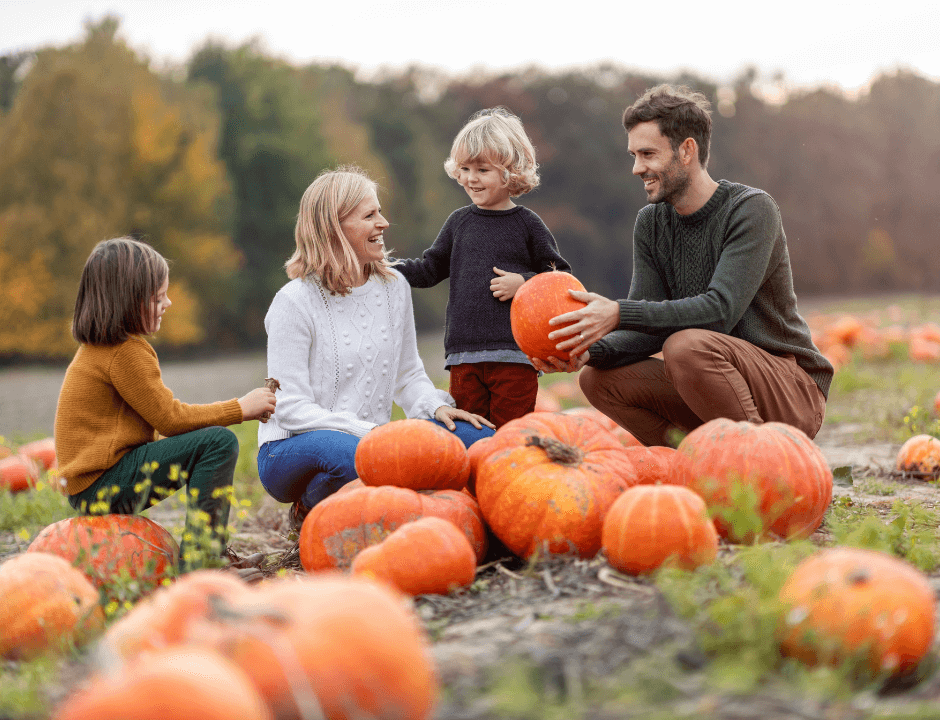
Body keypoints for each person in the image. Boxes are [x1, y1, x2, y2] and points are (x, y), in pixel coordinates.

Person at [531, 84, 833, 447]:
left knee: (685, 347)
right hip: (714, 386)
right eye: (633, 154)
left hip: (789, 388)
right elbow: (647, 330)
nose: (636, 168)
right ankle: (696, 467)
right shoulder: (651, 223)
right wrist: (586, 352)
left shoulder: (751, 210)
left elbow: (720, 311)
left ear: (686, 150)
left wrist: (617, 312)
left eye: (647, 154)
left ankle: (762, 462)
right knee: (597, 379)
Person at [257, 165, 495, 530]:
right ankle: (310, 510)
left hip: (371, 441)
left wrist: (433, 407)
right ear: (334, 226)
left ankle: (445, 518)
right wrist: (367, 433)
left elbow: (408, 374)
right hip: (292, 447)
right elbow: (289, 409)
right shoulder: (294, 302)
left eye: (379, 212)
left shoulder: (393, 286)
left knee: (477, 440)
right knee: (354, 456)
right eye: (370, 215)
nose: (383, 223)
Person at [55, 237, 277, 572]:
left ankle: (208, 555)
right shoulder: (125, 351)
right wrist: (239, 408)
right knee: (217, 443)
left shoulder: (102, 349)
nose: (169, 303)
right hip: (101, 485)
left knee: (205, 443)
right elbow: (170, 419)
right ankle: (203, 563)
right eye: (159, 297)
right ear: (129, 302)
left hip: (91, 486)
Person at [395, 107, 571, 428]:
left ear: (511, 172)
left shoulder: (527, 224)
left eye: (482, 169)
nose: (471, 178)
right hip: (464, 357)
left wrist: (524, 283)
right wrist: (385, 270)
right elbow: (428, 268)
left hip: (514, 357)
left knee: (507, 436)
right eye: (464, 168)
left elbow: (559, 278)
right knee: (469, 434)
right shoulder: (458, 223)